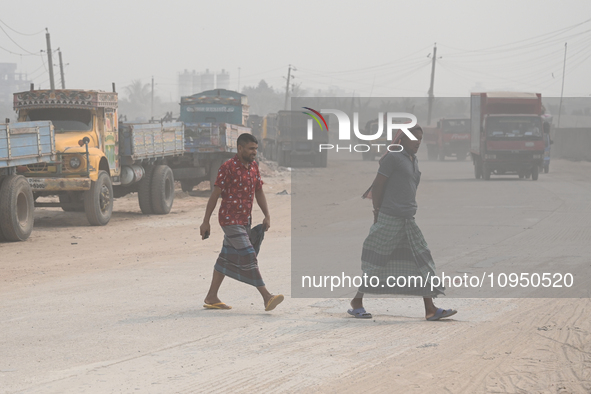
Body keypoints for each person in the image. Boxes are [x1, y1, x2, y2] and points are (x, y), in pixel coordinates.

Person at [349, 125, 457, 321]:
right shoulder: (393, 158)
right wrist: (377, 212)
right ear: (402, 139)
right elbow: (378, 184)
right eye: (414, 138)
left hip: (408, 220)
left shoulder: (413, 160)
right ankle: (357, 301)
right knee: (376, 263)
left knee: (422, 262)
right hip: (390, 218)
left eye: (420, 139)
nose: (418, 142)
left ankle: (430, 309)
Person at [200, 133, 284, 312]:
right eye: (251, 149)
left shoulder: (254, 167)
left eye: (256, 149)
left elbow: (259, 191)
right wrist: (205, 222)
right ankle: (266, 296)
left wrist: (267, 215)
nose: (254, 152)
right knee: (248, 254)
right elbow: (215, 195)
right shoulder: (227, 167)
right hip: (229, 220)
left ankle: (211, 296)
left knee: (225, 258)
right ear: (240, 148)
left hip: (244, 220)